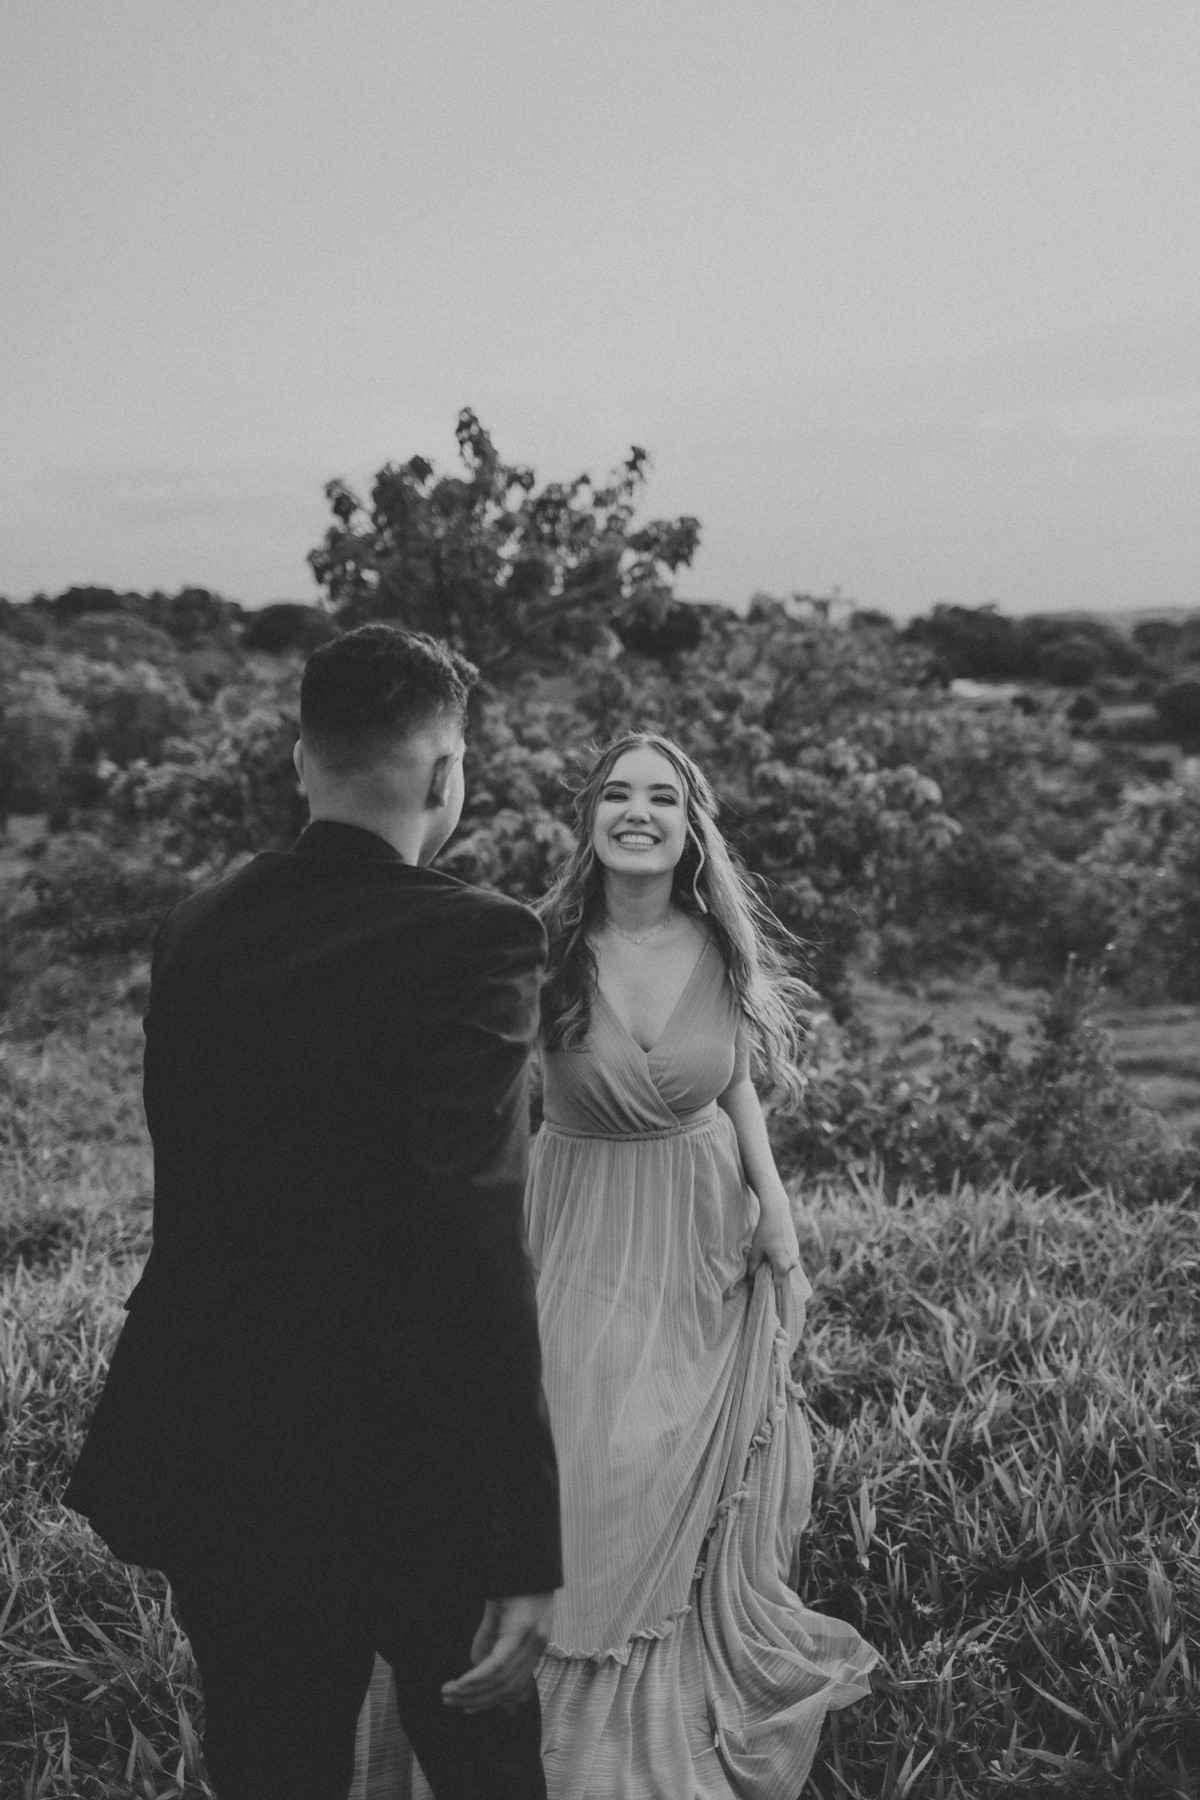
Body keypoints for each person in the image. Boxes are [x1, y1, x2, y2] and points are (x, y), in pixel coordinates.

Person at [64, 625, 563, 1800]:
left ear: (302, 760)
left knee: (269, 1768)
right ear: (446, 775)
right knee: (489, 1774)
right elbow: (476, 1236)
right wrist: (523, 1540)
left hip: (224, 1452)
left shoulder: (196, 927)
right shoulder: (480, 938)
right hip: (412, 1471)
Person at [355, 728, 877, 1798]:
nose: (639, 812)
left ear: (691, 829)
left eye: (663, 799)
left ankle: (641, 1700)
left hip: (701, 1224)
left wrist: (775, 1205)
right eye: (618, 796)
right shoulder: (538, 944)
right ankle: (540, 1707)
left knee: (664, 1453)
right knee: (586, 1449)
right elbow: (478, 1094)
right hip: (578, 1213)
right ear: (588, 820)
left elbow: (733, 1084)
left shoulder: (720, 947)